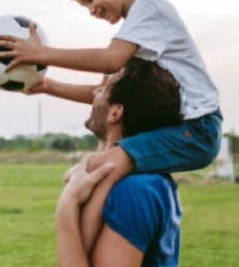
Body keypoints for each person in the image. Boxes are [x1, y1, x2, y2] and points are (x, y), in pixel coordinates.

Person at [0, 0, 222, 249]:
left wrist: (43, 54)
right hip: (182, 129)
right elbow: (110, 96)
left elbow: (110, 59)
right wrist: (50, 87)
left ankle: (80, 252)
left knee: (103, 169)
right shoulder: (138, 32)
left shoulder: (149, 8)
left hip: (196, 130)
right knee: (99, 166)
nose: (91, 10)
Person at [57, 58, 184, 267]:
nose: (95, 94)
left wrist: (65, 208)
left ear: (115, 112)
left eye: (103, 89)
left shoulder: (136, 190)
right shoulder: (142, 182)